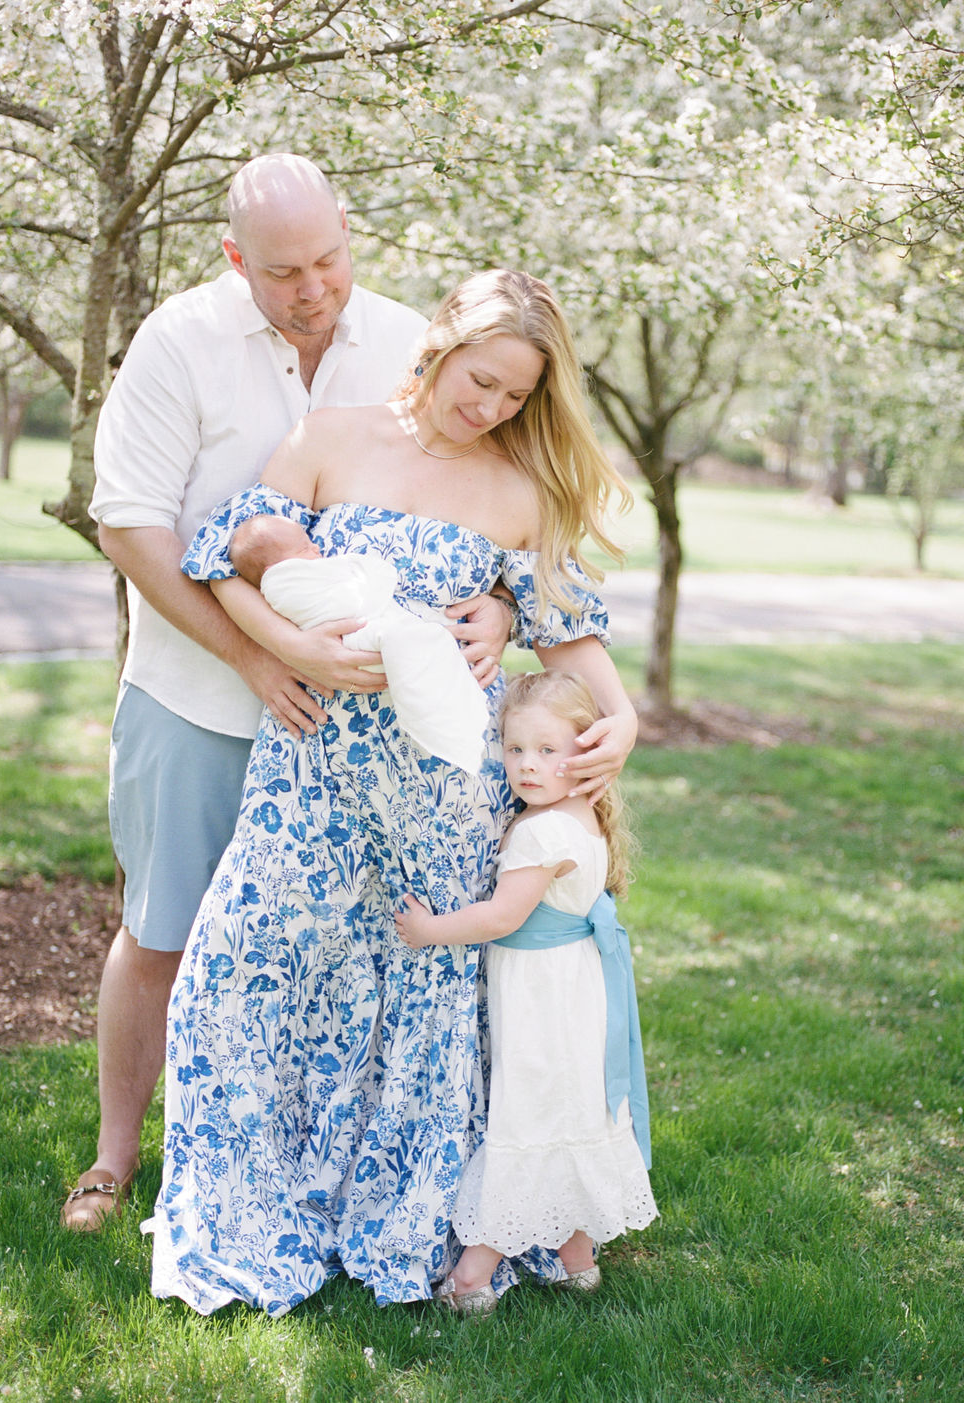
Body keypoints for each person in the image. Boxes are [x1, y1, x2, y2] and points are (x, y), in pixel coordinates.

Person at [143, 267, 638, 1315]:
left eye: (516, 395)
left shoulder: (519, 487)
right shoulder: (332, 435)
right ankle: (249, 1204)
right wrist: (285, 647)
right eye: (482, 378)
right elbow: (220, 557)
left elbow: (575, 633)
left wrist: (623, 716)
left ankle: (399, 1205)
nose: (492, 407)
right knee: (238, 966)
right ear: (443, 343)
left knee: (418, 992)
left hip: (442, 793)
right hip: (310, 768)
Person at [62, 153, 512, 1231]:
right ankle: (114, 1158)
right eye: (283, 272)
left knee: (327, 948)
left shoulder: (409, 337)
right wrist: (253, 656)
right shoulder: (178, 341)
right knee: (164, 928)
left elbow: (469, 486)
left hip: (352, 734)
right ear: (233, 259)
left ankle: (289, 1172)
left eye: (328, 260)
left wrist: (498, 600)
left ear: (350, 233)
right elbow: (130, 523)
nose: (313, 289)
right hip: (194, 695)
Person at [395, 669, 658, 1315]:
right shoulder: (582, 817)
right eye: (514, 749)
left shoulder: (540, 831)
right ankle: (578, 1261)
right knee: (568, 1113)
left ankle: (472, 1278)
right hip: (575, 993)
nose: (527, 765)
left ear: (586, 750)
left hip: (545, 1003)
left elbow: (499, 917)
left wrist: (429, 930)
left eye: (547, 750)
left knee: (530, 1117)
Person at [228, 514, 489, 772]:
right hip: (350, 647)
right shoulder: (284, 583)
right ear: (273, 568)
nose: (317, 549)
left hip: (360, 661)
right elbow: (350, 600)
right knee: (407, 638)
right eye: (305, 548)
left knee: (415, 641)